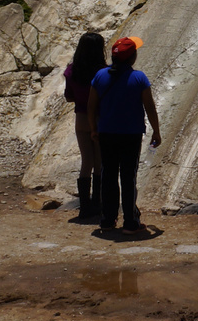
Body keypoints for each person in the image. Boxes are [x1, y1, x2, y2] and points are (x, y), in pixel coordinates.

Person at [88, 35, 161, 233]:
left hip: (106, 133)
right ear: (132, 58)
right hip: (131, 134)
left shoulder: (100, 76)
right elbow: (150, 107)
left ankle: (107, 220)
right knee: (128, 176)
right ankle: (130, 221)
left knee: (108, 174)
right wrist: (156, 130)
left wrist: (93, 129)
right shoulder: (139, 78)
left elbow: (91, 106)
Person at [63, 32, 107, 222]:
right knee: (99, 162)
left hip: (81, 118)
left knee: (85, 162)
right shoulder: (103, 71)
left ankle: (84, 207)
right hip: (99, 118)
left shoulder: (72, 71)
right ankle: (98, 204)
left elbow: (68, 96)